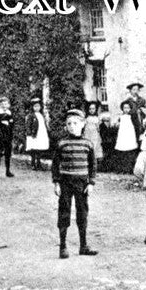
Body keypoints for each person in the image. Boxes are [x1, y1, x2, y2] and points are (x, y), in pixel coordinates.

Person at [52, 108, 98, 259]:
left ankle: (83, 245)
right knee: (64, 212)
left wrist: (91, 183)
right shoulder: (62, 143)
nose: (72, 126)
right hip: (65, 182)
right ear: (66, 126)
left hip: (82, 184)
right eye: (69, 123)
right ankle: (63, 246)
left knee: (82, 213)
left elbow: (93, 166)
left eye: (75, 123)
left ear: (83, 124)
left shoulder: (88, 144)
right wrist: (56, 183)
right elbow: (55, 165)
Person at [113, 99, 139, 173]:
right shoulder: (121, 117)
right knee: (122, 152)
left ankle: (129, 169)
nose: (126, 110)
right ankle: (122, 169)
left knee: (130, 152)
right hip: (122, 136)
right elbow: (117, 125)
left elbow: (136, 126)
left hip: (130, 136)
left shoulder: (132, 117)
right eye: (125, 108)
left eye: (128, 108)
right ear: (122, 109)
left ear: (130, 109)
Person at [25, 97, 51, 171]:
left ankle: (39, 163)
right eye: (35, 106)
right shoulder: (31, 115)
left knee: (39, 149)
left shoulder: (41, 115)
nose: (37, 108)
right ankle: (33, 164)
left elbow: (43, 124)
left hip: (41, 133)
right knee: (34, 149)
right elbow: (28, 125)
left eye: (38, 106)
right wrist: (29, 133)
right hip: (34, 134)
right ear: (32, 107)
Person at [0, 97, 15, 178]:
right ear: (0, 105)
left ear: (8, 105)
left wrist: (9, 123)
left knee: (8, 154)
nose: (4, 106)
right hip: (0, 135)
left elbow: (12, 124)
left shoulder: (10, 113)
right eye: (2, 104)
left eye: (6, 104)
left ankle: (7, 171)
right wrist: (2, 124)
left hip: (8, 135)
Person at [83, 101, 103, 168]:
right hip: (88, 134)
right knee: (88, 147)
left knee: (94, 147)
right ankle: (87, 164)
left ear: (95, 109)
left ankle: (95, 165)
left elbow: (98, 128)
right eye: (90, 109)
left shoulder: (97, 118)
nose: (91, 110)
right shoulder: (86, 118)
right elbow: (84, 126)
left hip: (94, 135)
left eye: (93, 109)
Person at [98, 106, 118, 171]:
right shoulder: (101, 126)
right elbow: (102, 134)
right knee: (105, 155)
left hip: (110, 142)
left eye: (108, 120)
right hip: (105, 142)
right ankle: (105, 168)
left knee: (110, 155)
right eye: (105, 120)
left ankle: (110, 167)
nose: (107, 121)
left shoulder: (111, 126)